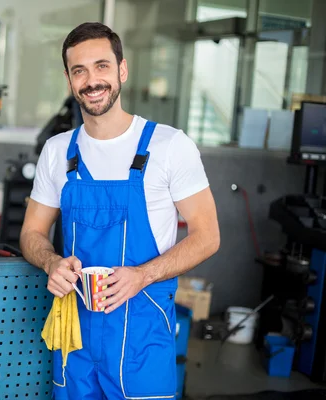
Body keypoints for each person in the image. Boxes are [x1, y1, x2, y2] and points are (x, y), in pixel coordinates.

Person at [20, 22, 220, 399]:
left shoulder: (169, 146)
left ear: (122, 70)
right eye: (79, 70)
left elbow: (208, 235)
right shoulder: (58, 151)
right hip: (73, 338)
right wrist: (50, 263)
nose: (91, 80)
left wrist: (143, 275)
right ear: (69, 79)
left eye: (101, 66)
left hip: (141, 338)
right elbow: (32, 232)